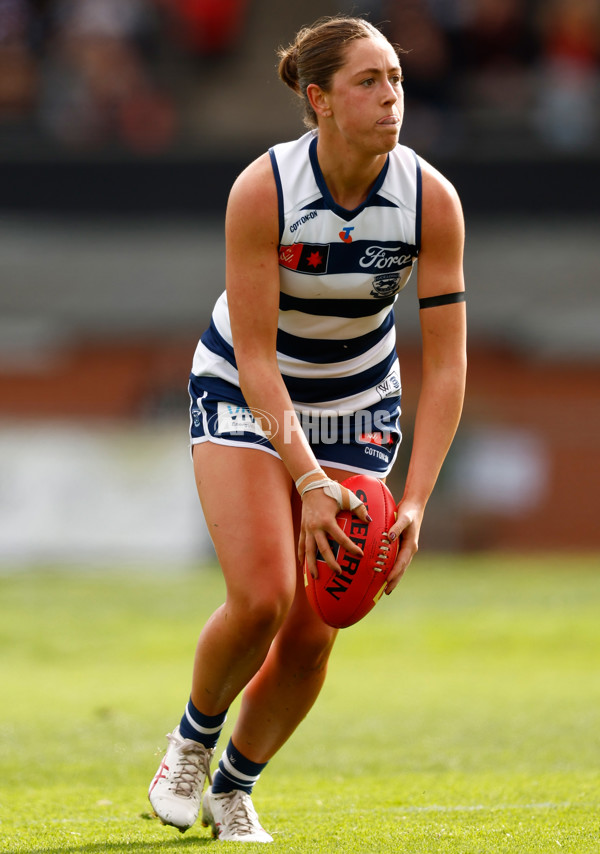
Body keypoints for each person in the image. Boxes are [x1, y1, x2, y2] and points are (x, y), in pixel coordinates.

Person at [148, 15, 466, 843]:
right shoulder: (266, 191)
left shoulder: (432, 200)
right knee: (262, 598)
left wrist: (419, 503)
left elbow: (450, 367)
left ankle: (233, 788)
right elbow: (256, 358)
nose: (392, 96)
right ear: (318, 100)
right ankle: (189, 741)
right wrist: (310, 481)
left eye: (396, 78)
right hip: (248, 390)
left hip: (360, 405)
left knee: (317, 628)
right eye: (369, 82)